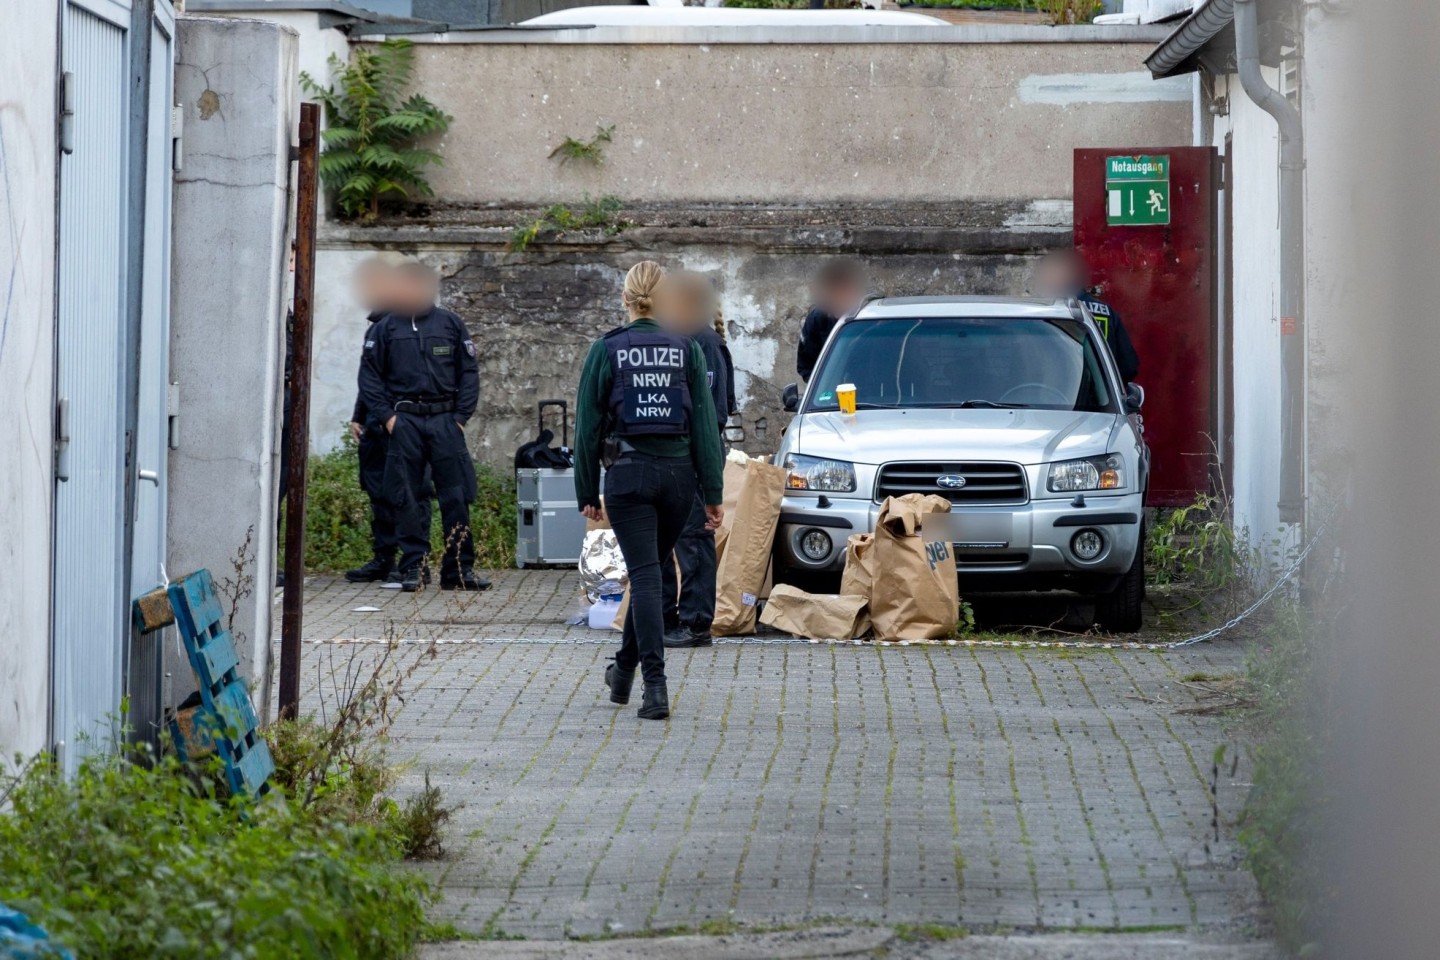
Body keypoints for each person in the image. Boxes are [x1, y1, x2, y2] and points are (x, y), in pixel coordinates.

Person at [574, 261, 725, 720]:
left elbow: (586, 428)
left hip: (629, 477)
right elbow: (704, 426)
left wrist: (585, 489)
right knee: (649, 571)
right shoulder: (686, 349)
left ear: (626, 299)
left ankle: (654, 687)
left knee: (644, 575)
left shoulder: (608, 350)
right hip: (679, 479)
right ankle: (622, 671)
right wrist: (713, 491)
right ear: (661, 300)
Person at [357, 259, 489, 593]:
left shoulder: (450, 324)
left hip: (445, 420)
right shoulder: (384, 329)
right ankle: (413, 566)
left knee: (455, 495)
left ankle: (459, 568)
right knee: (408, 497)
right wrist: (389, 418)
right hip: (405, 422)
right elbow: (370, 379)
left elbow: (468, 373)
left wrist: (459, 418)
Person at [656, 272, 735, 649]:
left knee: (693, 538)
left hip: (696, 454)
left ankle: (696, 622)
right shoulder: (674, 341)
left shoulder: (704, 342)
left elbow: (715, 412)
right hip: (671, 455)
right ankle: (665, 617)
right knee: (666, 538)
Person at [345, 256, 433, 585]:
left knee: (412, 492)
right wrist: (359, 415)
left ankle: (414, 561)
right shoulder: (378, 325)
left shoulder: (424, 325)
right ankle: (385, 558)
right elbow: (369, 377)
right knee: (378, 491)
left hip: (407, 424)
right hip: (375, 424)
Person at [1033, 248, 1140, 384]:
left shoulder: (1046, 313)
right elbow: (1128, 367)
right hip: (1099, 400)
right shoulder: (1106, 312)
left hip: (1060, 396)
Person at [796, 258, 866, 382]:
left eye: (844, 291)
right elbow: (806, 366)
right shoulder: (817, 320)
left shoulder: (867, 319)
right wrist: (824, 386)